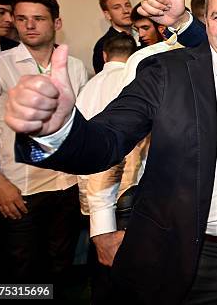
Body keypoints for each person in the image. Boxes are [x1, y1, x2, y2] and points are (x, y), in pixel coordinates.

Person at [5, 0, 217, 305]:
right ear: (205, 21)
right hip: (190, 256)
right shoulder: (164, 72)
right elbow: (107, 140)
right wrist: (57, 131)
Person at [0, 0, 88, 295]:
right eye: (22, 19)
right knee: (22, 276)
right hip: (20, 189)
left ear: (57, 23)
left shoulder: (75, 66)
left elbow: (81, 127)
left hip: (67, 185)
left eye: (39, 19)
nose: (29, 25)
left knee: (60, 269)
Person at [74, 32, 144, 304]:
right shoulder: (130, 83)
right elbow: (111, 148)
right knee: (120, 275)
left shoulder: (89, 86)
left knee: (102, 265)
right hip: (120, 191)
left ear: (104, 55)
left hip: (89, 188)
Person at [92, 0, 135, 73]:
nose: (126, 11)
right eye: (117, 7)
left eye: (127, 5)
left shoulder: (145, 35)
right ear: (107, 14)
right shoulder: (103, 44)